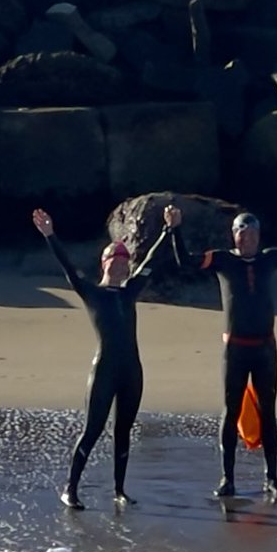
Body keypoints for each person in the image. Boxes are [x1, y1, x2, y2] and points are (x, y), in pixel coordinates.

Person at [165, 200, 277, 498]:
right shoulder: (222, 260)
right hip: (235, 350)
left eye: (252, 233)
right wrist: (174, 230)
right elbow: (186, 261)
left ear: (259, 236)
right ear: (233, 236)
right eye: (241, 232)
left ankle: (272, 478)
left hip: (264, 349)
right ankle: (228, 479)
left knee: (268, 412)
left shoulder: (270, 258)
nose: (247, 238)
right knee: (230, 411)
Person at [32, 207, 173, 510]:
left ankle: (119, 490)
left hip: (132, 371)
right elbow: (68, 267)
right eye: (116, 261)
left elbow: (152, 261)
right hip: (105, 370)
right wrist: (50, 235)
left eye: (125, 262)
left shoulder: (130, 291)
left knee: (124, 432)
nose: (121, 266)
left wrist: (167, 230)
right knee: (92, 430)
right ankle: (70, 488)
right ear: (105, 263)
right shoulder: (92, 293)